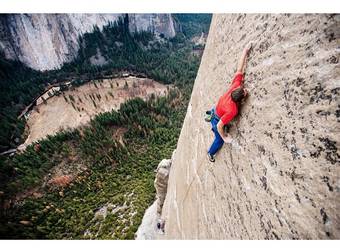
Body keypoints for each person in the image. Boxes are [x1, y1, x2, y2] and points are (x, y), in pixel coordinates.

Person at [206, 42, 253, 162]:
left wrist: (245, 51)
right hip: (216, 119)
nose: (245, 90)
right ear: (241, 100)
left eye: (243, 90)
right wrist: (225, 137)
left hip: (216, 110)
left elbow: (240, 69)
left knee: (222, 124)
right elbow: (219, 125)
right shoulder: (233, 110)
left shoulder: (236, 85)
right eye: (245, 92)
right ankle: (210, 153)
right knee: (219, 140)